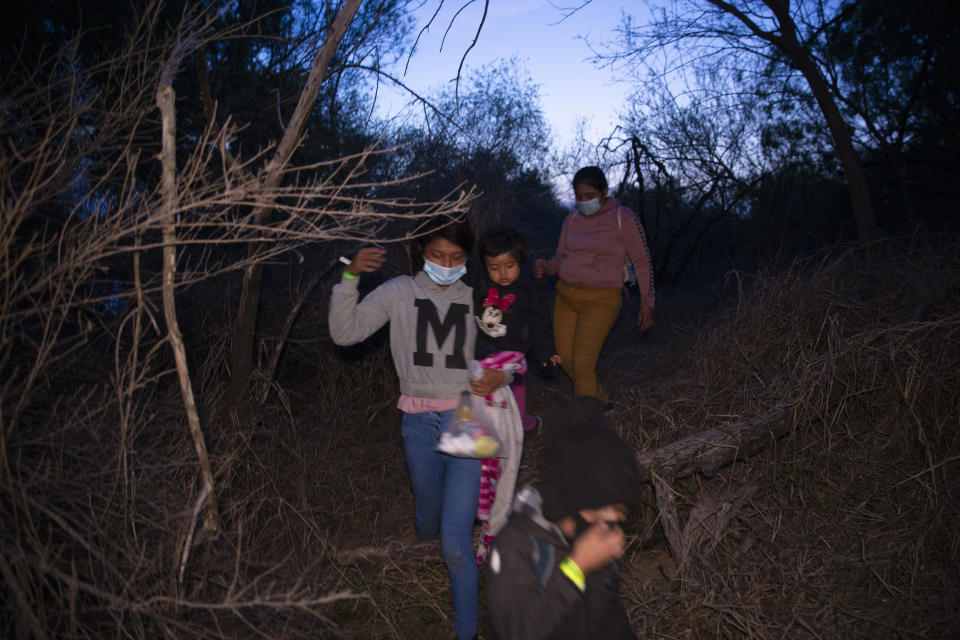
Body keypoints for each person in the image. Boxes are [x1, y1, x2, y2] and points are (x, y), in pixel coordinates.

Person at [328, 218, 504, 640]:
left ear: (468, 259)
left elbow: (512, 346)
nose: (446, 264)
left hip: (466, 417)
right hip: (417, 421)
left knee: (457, 542)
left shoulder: (479, 298)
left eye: (456, 257)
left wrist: (503, 372)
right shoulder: (398, 292)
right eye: (437, 255)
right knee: (427, 515)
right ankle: (423, 558)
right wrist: (350, 276)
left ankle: (468, 631)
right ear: (420, 250)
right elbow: (344, 332)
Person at [485, 395, 641, 640]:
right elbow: (516, 632)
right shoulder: (514, 546)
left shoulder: (595, 537)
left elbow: (608, 621)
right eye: (604, 508)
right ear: (574, 500)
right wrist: (576, 568)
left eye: (619, 514)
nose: (612, 523)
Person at [534, 166, 655, 403]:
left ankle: (587, 422)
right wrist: (546, 267)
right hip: (566, 296)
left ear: (604, 192)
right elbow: (560, 259)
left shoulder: (624, 218)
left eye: (589, 197)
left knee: (582, 364)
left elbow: (642, 262)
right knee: (567, 360)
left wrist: (647, 303)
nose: (583, 202)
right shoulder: (571, 220)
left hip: (602, 299)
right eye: (578, 197)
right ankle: (601, 402)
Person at [474, 225, 561, 440]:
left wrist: (546, 354)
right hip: (485, 357)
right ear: (485, 266)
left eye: (509, 266)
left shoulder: (527, 293)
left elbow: (540, 326)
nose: (502, 273)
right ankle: (492, 448)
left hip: (515, 361)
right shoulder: (479, 288)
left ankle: (529, 425)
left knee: (514, 410)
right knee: (486, 409)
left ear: (520, 262)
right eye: (494, 268)